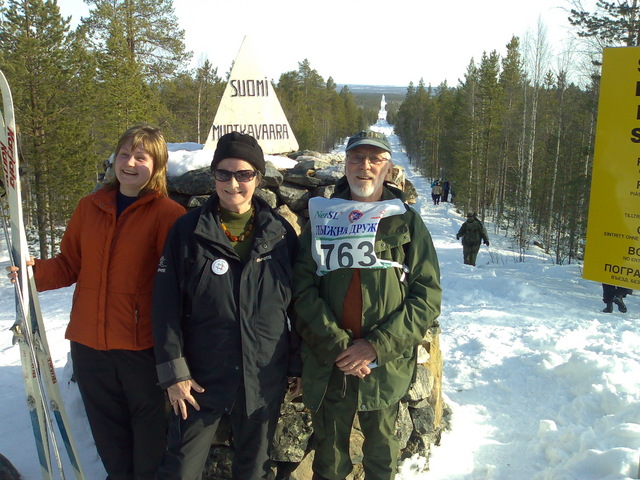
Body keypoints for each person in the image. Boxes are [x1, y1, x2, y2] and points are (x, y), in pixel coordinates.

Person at [8, 125, 186, 480]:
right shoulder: (90, 207)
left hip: (141, 351)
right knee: (110, 444)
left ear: (158, 165)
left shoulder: (168, 215)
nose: (130, 163)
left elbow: (179, 286)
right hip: (89, 347)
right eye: (124, 154)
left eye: (141, 156)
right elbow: (69, 265)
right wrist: (32, 274)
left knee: (149, 447)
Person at [292, 129, 442, 480]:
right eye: (357, 158)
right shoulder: (323, 217)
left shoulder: (405, 221)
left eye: (375, 159)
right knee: (328, 461)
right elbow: (302, 289)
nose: (365, 167)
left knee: (381, 459)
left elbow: (427, 295)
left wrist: (376, 346)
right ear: (345, 166)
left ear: (388, 169)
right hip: (332, 363)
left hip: (383, 366)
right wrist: (340, 346)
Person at [152, 132, 302, 480]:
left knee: (253, 470)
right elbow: (165, 306)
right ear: (213, 176)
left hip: (263, 377)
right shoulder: (187, 231)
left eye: (244, 174)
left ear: (258, 178)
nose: (233, 183)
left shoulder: (280, 234)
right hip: (200, 380)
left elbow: (297, 306)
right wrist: (175, 372)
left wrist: (296, 364)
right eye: (223, 173)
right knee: (180, 470)